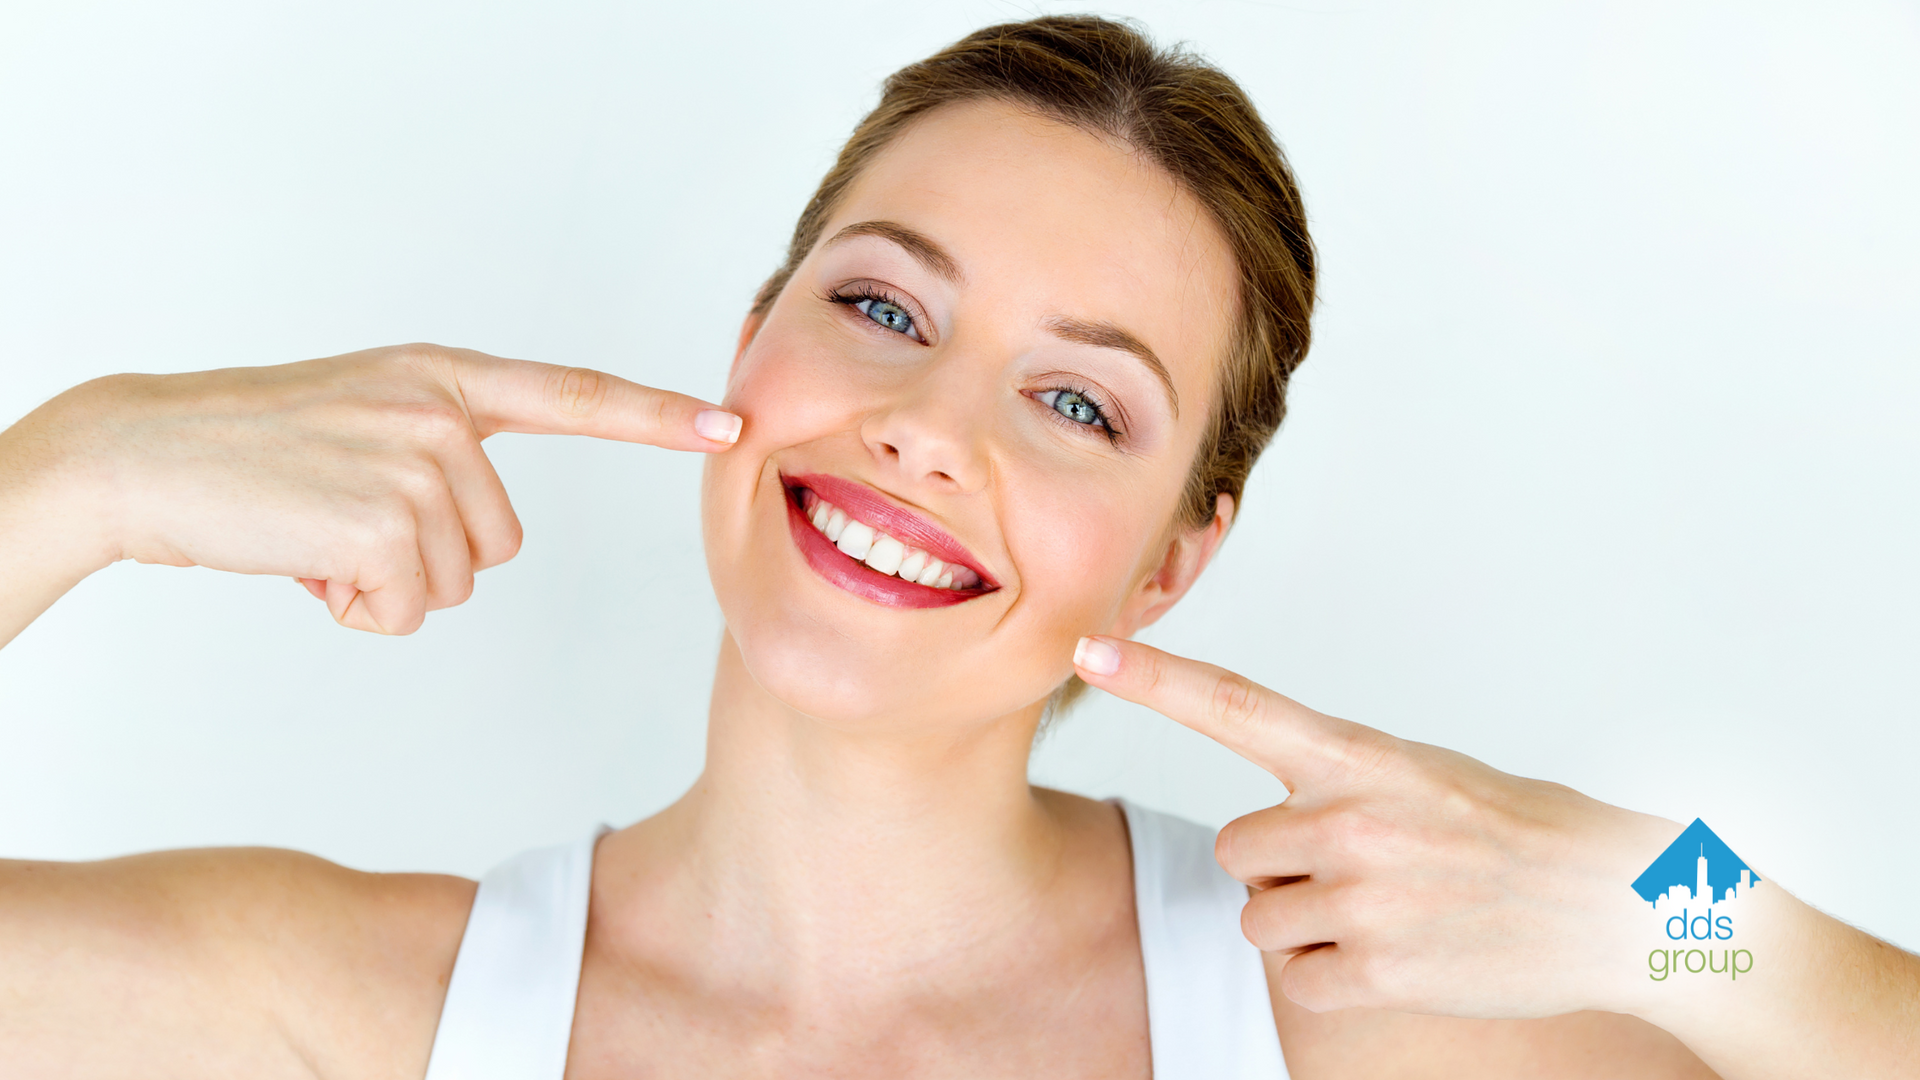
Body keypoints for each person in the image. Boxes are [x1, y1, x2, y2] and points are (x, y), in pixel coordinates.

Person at [0, 15, 1913, 1080]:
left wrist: (1674, 905)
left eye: (1080, 404)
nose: (928, 427)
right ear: (752, 339)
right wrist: (71, 474)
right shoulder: (347, 1012)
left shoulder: (1352, 1034)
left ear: (1173, 561)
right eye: (886, 311)